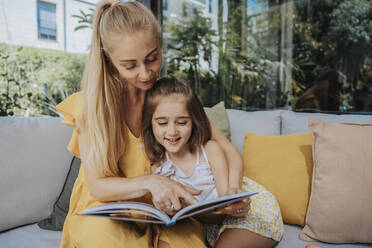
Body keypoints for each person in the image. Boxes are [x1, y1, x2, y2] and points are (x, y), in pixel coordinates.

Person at [56, 0, 279, 247]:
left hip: (167, 214)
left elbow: (225, 148)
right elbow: (98, 187)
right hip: (108, 212)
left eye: (152, 58)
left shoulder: (168, 98)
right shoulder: (92, 106)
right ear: (109, 60)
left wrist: (229, 194)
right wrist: (153, 182)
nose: (145, 73)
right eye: (130, 65)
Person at [142, 77, 284, 248]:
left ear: (193, 122)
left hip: (248, 212)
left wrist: (230, 199)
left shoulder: (210, 149)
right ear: (150, 123)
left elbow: (225, 203)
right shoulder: (160, 168)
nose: (172, 131)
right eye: (162, 123)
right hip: (214, 225)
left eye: (182, 122)